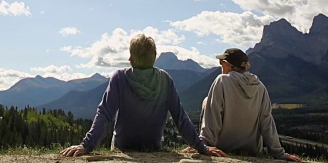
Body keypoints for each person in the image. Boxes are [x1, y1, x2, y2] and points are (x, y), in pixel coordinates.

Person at [61, 34, 226, 157]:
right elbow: (180, 118)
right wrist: (201, 147)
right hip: (153, 146)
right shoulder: (165, 80)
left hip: (123, 148)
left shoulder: (119, 78)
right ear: (154, 57)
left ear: (131, 58)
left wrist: (86, 146)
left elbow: (105, 114)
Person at [194, 48, 301, 161]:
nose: (221, 66)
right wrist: (279, 153)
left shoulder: (222, 81)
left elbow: (213, 114)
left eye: (221, 63)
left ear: (227, 64)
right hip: (252, 149)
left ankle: (206, 143)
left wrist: (203, 146)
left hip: (224, 147)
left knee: (207, 101)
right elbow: (267, 122)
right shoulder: (260, 87)